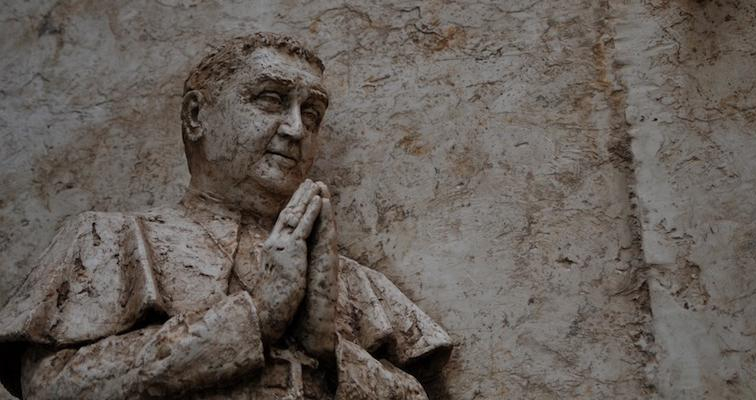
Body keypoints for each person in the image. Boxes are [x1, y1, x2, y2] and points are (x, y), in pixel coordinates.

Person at [0, 32, 451, 400]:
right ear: (196, 116)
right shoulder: (112, 239)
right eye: (271, 100)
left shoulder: (351, 282)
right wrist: (256, 318)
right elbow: (48, 386)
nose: (296, 129)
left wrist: (329, 350)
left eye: (311, 113)